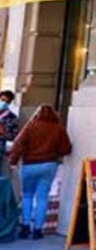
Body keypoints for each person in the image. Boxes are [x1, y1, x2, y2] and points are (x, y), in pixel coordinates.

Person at [8, 104, 72, 240]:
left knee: (27, 196)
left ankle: (25, 227)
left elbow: (18, 144)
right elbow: (66, 148)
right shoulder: (58, 128)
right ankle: (38, 230)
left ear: (37, 113)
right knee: (42, 197)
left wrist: (13, 161)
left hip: (30, 165)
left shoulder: (31, 126)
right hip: (49, 165)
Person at [0, 91, 19, 179]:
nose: (2, 102)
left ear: (10, 102)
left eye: (5, 101)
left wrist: (2, 133)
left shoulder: (12, 117)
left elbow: (13, 136)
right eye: (1, 99)